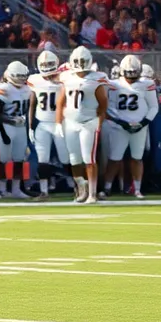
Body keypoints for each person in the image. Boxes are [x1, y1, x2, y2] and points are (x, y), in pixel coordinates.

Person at [56, 46, 108, 204]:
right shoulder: (67, 77)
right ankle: (81, 187)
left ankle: (92, 193)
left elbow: (103, 103)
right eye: (78, 61)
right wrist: (58, 122)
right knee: (74, 159)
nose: (80, 63)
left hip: (88, 121)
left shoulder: (96, 78)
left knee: (89, 158)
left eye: (83, 61)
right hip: (70, 121)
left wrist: (99, 120)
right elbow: (61, 102)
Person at [103, 54, 157, 199]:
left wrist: (143, 123)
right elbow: (107, 107)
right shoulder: (113, 84)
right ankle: (107, 187)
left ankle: (137, 189)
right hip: (119, 127)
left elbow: (154, 107)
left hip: (139, 126)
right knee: (114, 158)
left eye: (134, 75)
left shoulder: (146, 84)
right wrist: (120, 122)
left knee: (137, 158)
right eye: (129, 75)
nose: (131, 79)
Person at [26, 50, 66, 202]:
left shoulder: (64, 78)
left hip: (59, 123)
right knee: (43, 159)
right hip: (42, 123)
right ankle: (44, 191)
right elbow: (32, 103)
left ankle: (79, 186)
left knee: (66, 158)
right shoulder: (35, 79)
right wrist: (30, 126)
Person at [0, 61, 32, 200]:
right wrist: (10, 120)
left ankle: (16, 189)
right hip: (5, 126)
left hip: (20, 126)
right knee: (2, 159)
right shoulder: (4, 88)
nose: (21, 79)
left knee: (20, 159)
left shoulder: (27, 89)